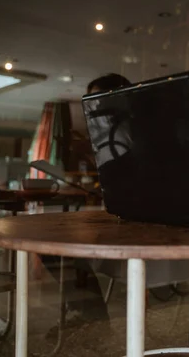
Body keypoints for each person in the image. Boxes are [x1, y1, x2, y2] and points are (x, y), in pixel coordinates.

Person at [41, 73, 131, 337]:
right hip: (118, 214)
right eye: (88, 99)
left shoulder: (127, 132)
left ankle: (92, 319)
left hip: (134, 220)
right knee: (57, 242)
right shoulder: (109, 133)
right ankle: (89, 316)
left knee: (59, 246)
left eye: (97, 99)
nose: (90, 106)